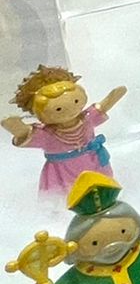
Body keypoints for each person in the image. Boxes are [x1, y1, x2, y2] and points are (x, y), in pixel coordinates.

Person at [2, 66, 124, 195]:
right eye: (58, 109)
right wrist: (14, 125)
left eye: (76, 101)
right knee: (66, 195)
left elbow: (102, 108)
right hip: (62, 170)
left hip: (93, 161)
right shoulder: (47, 134)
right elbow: (25, 134)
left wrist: (113, 97)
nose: (70, 110)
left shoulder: (86, 119)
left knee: (103, 187)